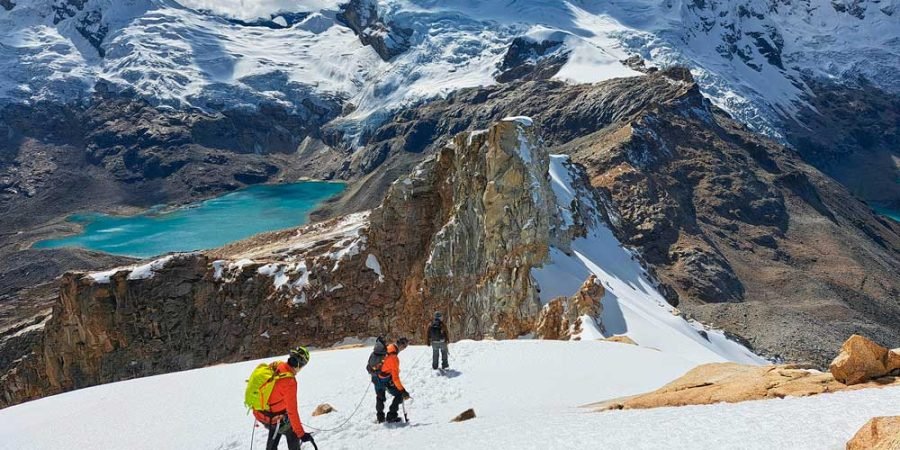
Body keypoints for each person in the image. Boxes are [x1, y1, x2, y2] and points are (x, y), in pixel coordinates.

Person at [253, 346, 316, 450]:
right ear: (300, 364)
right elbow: (292, 411)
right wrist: (301, 434)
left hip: (259, 411)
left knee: (278, 426)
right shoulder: (290, 382)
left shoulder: (277, 364)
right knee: (293, 434)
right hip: (272, 417)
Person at [372, 337, 411, 423]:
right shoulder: (394, 358)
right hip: (385, 378)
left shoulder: (387, 347)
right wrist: (403, 390)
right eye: (405, 347)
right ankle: (391, 416)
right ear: (402, 346)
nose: (404, 349)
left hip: (375, 376)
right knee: (399, 395)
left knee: (379, 397)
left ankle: (380, 418)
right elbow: (396, 378)